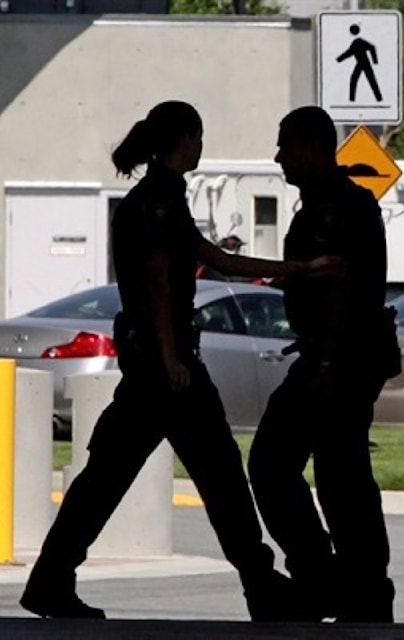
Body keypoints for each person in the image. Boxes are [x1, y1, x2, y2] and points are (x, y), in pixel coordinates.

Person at [20, 100, 340, 621]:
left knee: (108, 477)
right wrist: (172, 357)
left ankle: (52, 579)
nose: (201, 146)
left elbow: (217, 259)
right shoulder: (160, 202)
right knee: (219, 476)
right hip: (168, 372)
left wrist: (300, 268)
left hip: (153, 368)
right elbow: (159, 280)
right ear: (184, 140)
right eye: (199, 137)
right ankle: (261, 587)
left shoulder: (156, 199)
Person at [247, 105, 397, 623]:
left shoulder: (334, 209)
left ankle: (341, 581)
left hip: (339, 359)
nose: (279, 157)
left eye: (286, 145)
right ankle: (348, 583)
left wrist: (326, 367)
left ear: (312, 148)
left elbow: (339, 290)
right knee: (336, 472)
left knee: (297, 468)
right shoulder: (325, 203)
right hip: (332, 357)